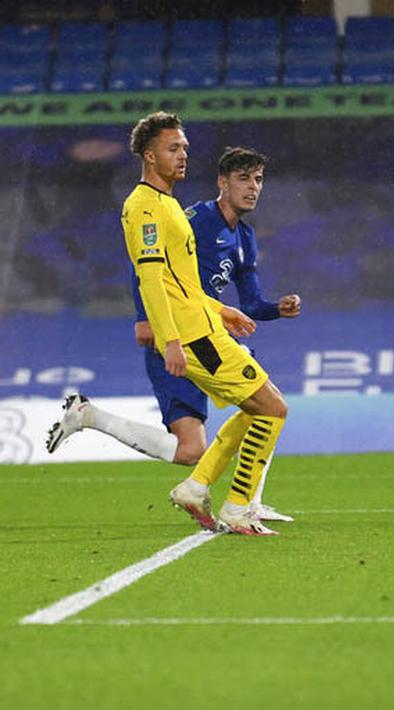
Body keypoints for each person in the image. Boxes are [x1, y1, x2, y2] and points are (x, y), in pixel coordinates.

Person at [46, 146, 301, 524]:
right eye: (243, 179)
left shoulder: (244, 239)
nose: (253, 188)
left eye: (259, 180)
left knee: (250, 412)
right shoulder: (195, 219)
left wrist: (277, 309)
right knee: (219, 432)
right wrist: (145, 319)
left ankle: (243, 501)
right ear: (222, 182)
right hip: (175, 336)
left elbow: (251, 303)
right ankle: (93, 419)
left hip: (207, 330)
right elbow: (146, 265)